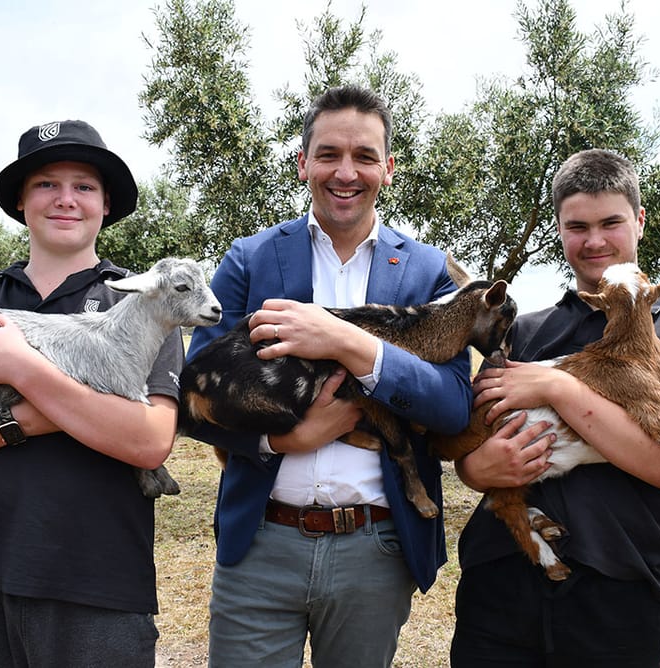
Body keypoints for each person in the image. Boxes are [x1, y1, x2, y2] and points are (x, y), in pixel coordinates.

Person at [184, 85, 472, 668]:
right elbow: (192, 401)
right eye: (329, 154)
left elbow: (452, 406)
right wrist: (282, 440)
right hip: (259, 544)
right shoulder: (249, 259)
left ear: (388, 169)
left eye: (364, 156)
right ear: (303, 163)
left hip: (377, 548)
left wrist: (348, 343)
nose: (346, 172)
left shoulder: (429, 272)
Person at [0, 120, 182, 667]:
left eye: (84, 186)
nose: (66, 199)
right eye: (46, 184)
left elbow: (149, 442)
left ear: (105, 204)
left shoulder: (142, 304)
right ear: (21, 200)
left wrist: (19, 368)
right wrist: (27, 420)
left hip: (99, 583)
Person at [449, 148, 660, 667]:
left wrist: (558, 388)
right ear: (559, 230)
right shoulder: (523, 332)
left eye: (610, 223)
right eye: (577, 226)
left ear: (640, 221)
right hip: (500, 581)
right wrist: (474, 468)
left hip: (619, 591)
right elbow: (470, 442)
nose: (595, 241)